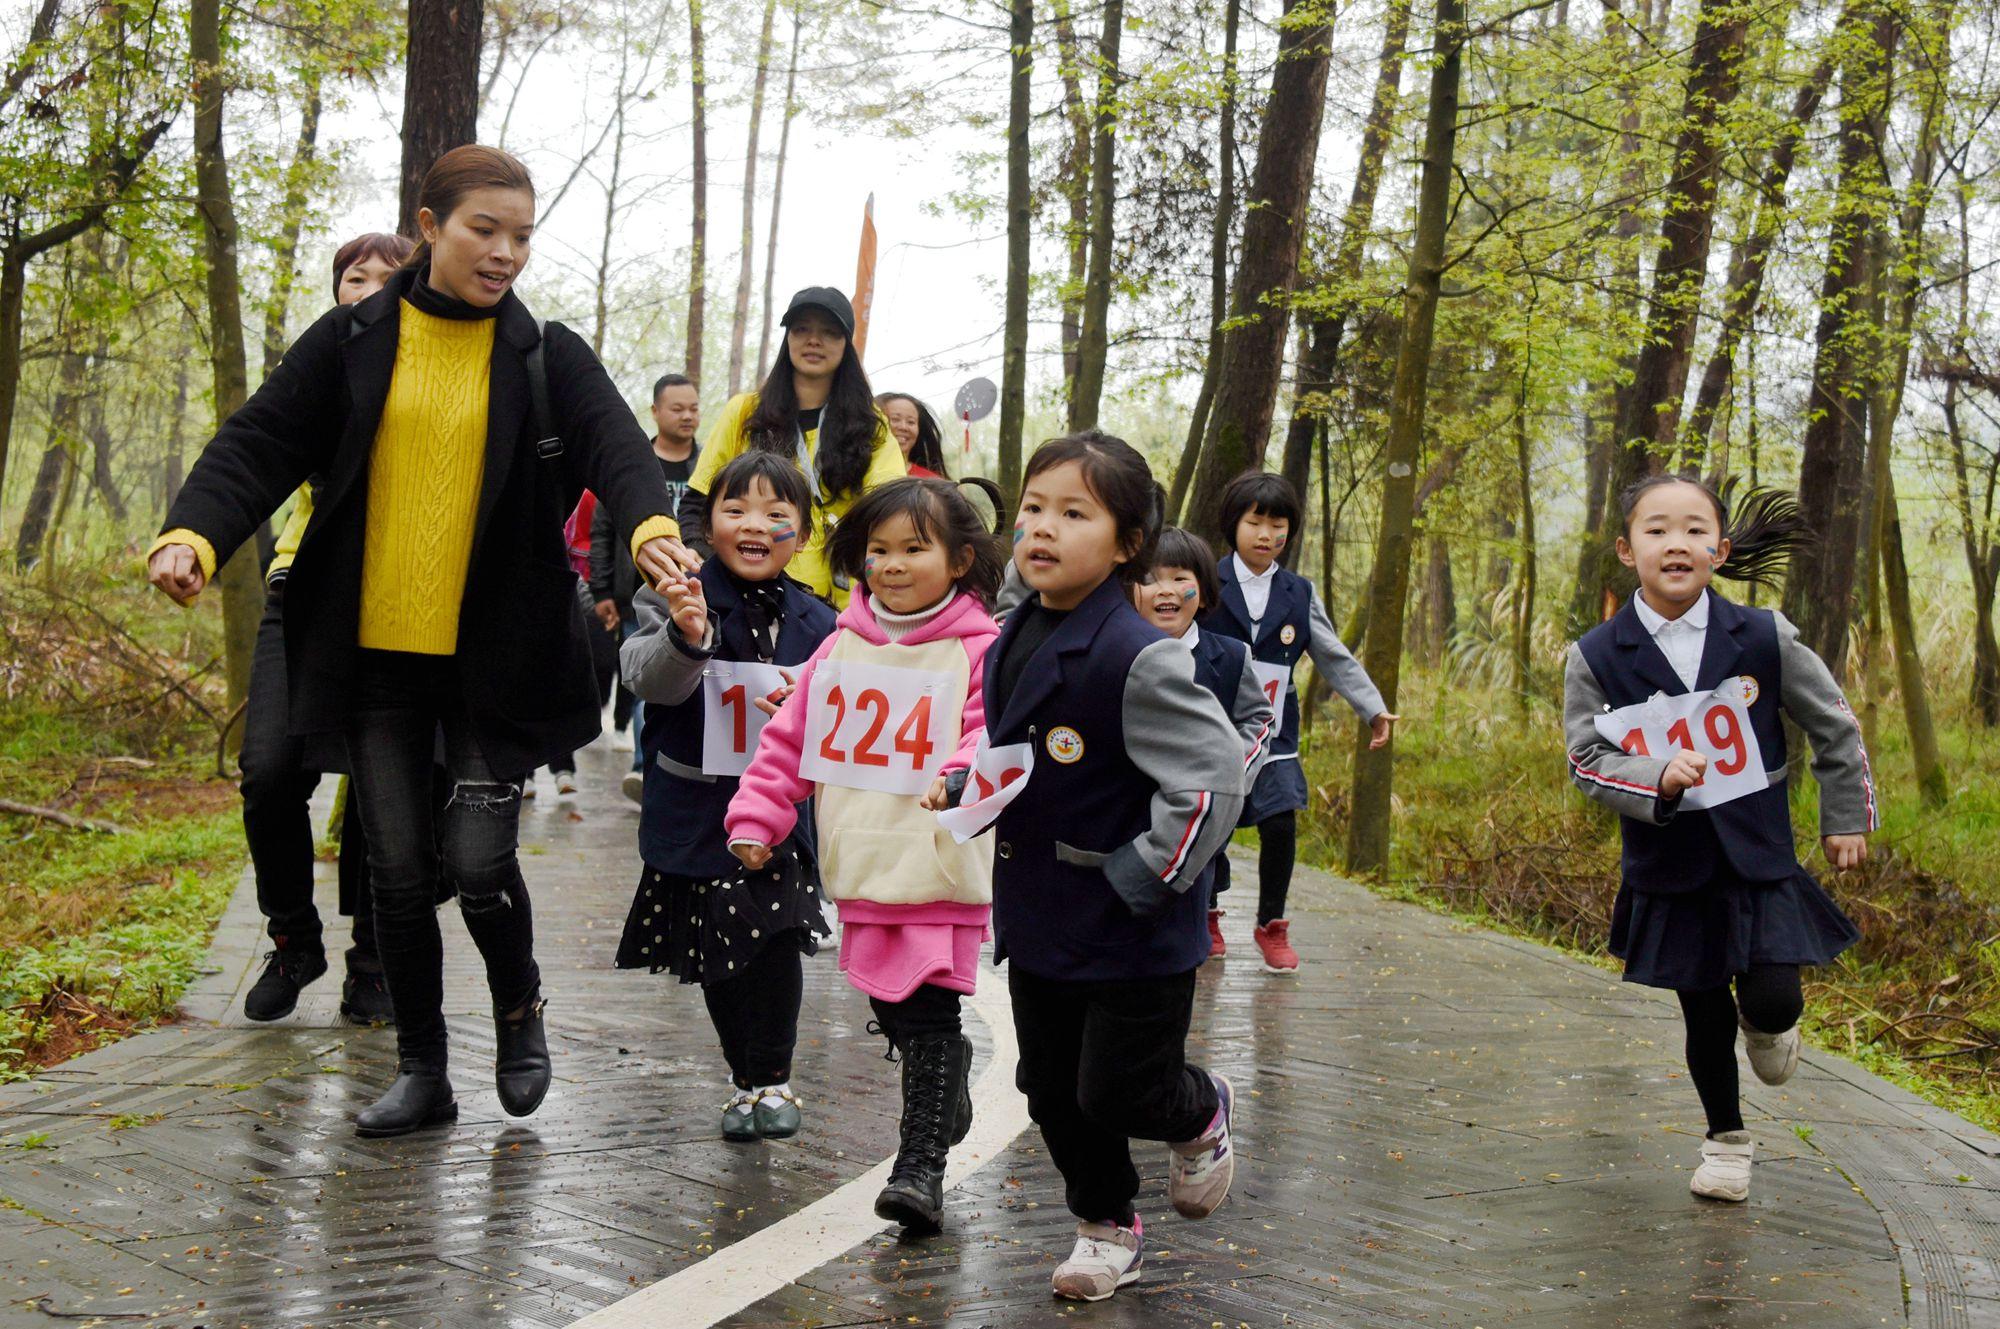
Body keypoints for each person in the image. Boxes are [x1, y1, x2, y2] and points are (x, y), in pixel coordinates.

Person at [145, 144, 698, 1138]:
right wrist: (194, 532)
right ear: (431, 223)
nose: (504, 253)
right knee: (396, 874)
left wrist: (652, 530)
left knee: (479, 864)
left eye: (521, 236)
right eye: (484, 230)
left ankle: (519, 1006)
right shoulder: (355, 338)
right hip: (372, 662)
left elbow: (615, 446)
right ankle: (424, 1070)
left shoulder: (542, 354)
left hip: (491, 664)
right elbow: (259, 442)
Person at [980, 431, 1246, 1302]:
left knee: (1122, 1089)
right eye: (1032, 509)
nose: (1042, 528)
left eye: (1073, 512)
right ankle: (1105, 1225)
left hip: (1134, 924)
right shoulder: (1013, 630)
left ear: (1128, 542)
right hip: (1041, 909)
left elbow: (1210, 779)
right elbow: (1014, 746)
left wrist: (1145, 876)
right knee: (1049, 1086)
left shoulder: (1142, 654)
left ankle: (1199, 1109)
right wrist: (966, 782)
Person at [1564, 476, 1873, 1204]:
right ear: (1626, 547)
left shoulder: (1763, 635)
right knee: (1702, 1007)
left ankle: (1771, 1025)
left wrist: (1845, 816)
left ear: (1721, 548)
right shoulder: (1597, 654)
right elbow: (1586, 758)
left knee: (1770, 994)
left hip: (1760, 855)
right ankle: (1725, 1140)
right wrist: (1657, 777)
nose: (1678, 543)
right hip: (1670, 863)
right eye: (1658, 529)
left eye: (1696, 530)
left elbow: (1834, 722)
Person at [727, 475, 1004, 1233]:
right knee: (892, 1001)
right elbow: (789, 740)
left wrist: (962, 773)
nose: (893, 564)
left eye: (915, 549)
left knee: (929, 1000)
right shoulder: (840, 644)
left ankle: (919, 1169)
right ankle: (943, 1090)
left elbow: (990, 728)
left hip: (939, 857)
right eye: (878, 549)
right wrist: (759, 815)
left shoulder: (981, 648)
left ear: (959, 560)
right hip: (862, 859)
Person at [615, 453, 836, 1141]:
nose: (755, 525)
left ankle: (774, 1075)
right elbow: (644, 677)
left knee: (773, 942)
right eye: (736, 509)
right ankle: (743, 1079)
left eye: (778, 515)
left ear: (800, 535)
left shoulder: (822, 618)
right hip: (696, 810)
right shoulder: (671, 592)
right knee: (720, 943)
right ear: (707, 524)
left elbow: (846, 714)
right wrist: (688, 634)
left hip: (780, 813)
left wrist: (814, 706)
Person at [237, 230, 413, 1027]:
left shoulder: (433, 376)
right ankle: (292, 936)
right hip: (301, 589)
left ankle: (374, 962)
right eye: (354, 275)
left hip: (403, 602)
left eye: (388, 276)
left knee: (389, 796)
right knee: (269, 770)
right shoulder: (316, 369)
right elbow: (260, 448)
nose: (369, 286)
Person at [1204, 471, 1396, 974]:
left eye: (1277, 523)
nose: (1266, 535)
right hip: (1212, 727)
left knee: (1281, 819)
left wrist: (1372, 708)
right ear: (1234, 524)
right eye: (1255, 522)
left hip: (1275, 732)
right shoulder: (1207, 580)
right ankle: (1204, 913)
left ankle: (1272, 924)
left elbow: (1333, 655)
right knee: (1212, 822)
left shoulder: (1298, 592)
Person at [674, 287, 906, 605]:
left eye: (829, 332)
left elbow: (891, 504)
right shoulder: (744, 412)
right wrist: (696, 551)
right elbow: (698, 501)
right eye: (801, 329)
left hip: (842, 606)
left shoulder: (869, 422)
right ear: (788, 339)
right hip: (748, 595)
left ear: (846, 344)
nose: (814, 340)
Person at [1130, 526, 1276, 959]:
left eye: (1180, 578)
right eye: (1151, 578)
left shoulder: (1230, 657)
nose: (1165, 591)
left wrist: (1232, 774)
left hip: (1199, 821)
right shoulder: (1118, 652)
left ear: (1205, 588)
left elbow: (1259, 719)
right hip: (1131, 815)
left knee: (1184, 931)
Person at [594, 373, 702, 801]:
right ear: (655, 412)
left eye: (693, 407)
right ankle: (645, 765)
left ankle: (658, 767)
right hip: (637, 593)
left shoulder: (708, 467)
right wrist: (603, 591)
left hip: (694, 593)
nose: (687, 415)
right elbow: (604, 530)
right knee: (643, 679)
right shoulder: (632, 466)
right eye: (677, 408)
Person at [877, 392, 949, 478]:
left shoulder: (931, 482)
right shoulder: (859, 475)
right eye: (895, 419)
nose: (904, 427)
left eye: (911, 422)